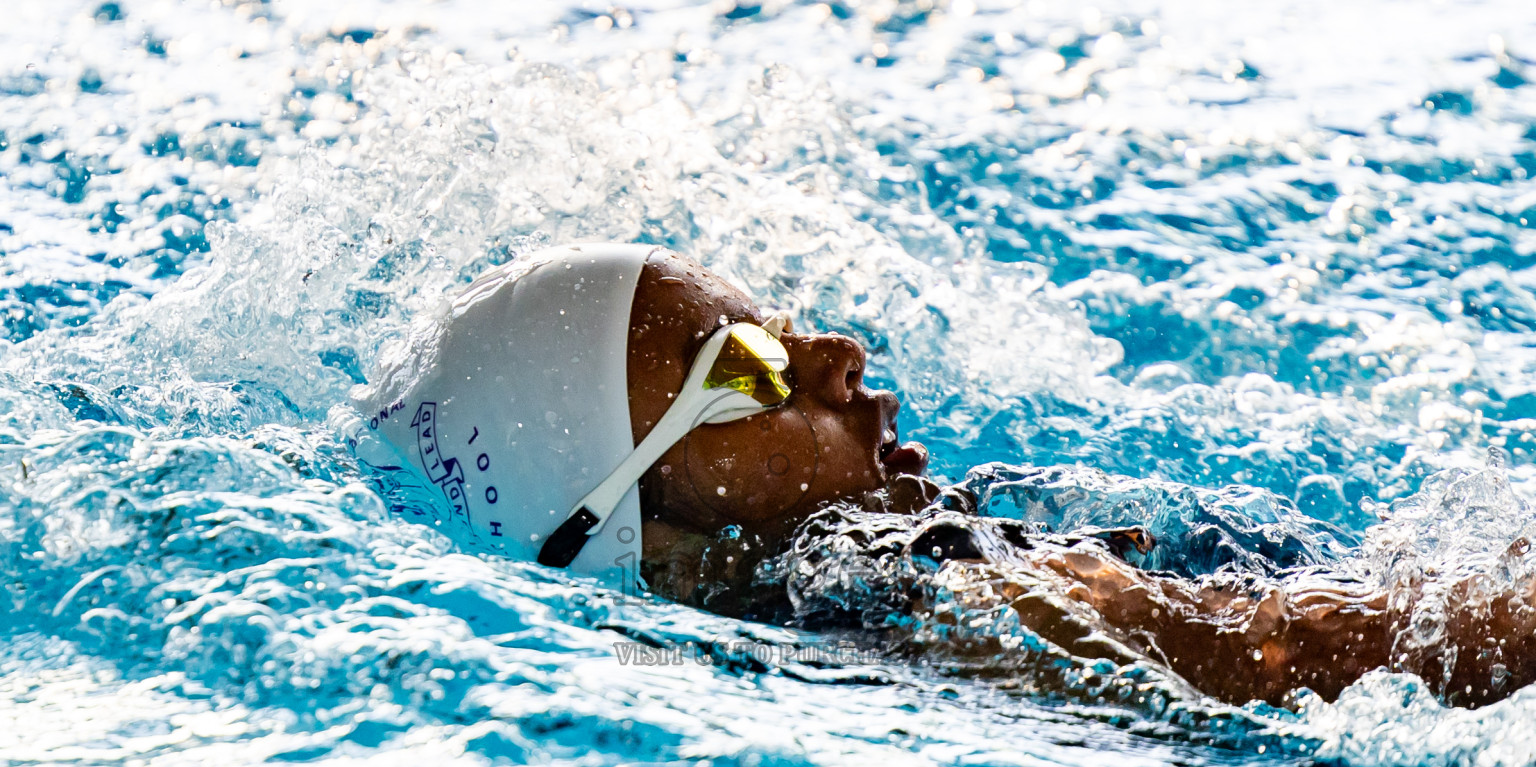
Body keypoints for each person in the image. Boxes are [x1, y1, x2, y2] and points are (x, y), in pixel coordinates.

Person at [346, 244, 1532, 710]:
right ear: (643, 534)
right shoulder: (947, 607)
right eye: (745, 369)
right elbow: (1308, 653)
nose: (830, 357)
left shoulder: (948, 539)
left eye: (780, 321)